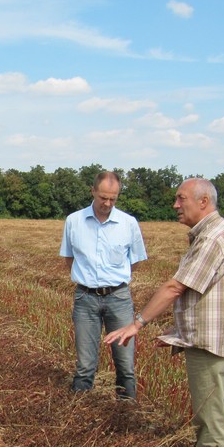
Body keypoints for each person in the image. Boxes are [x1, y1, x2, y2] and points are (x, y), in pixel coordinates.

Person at [104, 178, 224, 447]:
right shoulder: (213, 234)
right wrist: (177, 334)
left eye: (181, 199)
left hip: (212, 345)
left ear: (203, 201)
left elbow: (175, 287)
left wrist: (137, 323)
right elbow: (203, 297)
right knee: (208, 416)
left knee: (210, 420)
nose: (175, 205)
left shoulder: (213, 239)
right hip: (207, 339)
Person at [60, 170, 147, 399]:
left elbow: (135, 261)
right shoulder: (74, 221)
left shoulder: (128, 223)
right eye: (103, 198)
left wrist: (114, 280)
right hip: (84, 299)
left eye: (113, 199)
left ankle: (127, 417)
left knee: (125, 365)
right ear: (92, 191)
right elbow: (69, 259)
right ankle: (79, 414)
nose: (107, 203)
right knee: (85, 365)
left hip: (118, 299)